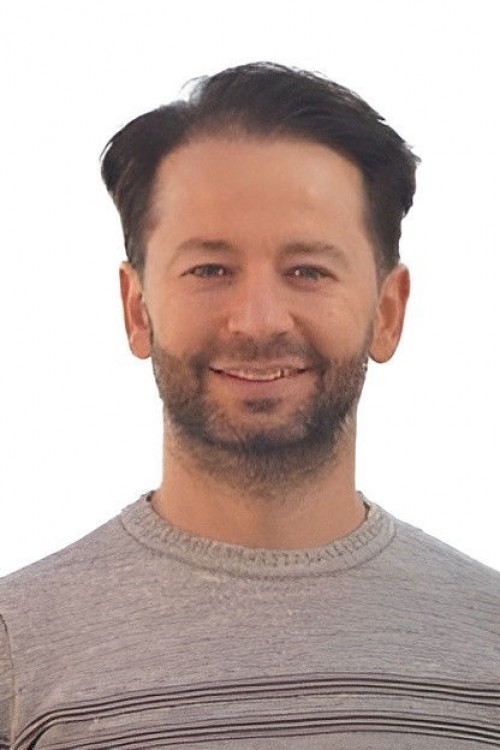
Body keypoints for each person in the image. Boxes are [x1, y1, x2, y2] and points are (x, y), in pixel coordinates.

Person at [1, 62, 499, 749]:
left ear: (387, 313)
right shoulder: (18, 650)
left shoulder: (489, 646)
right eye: (210, 269)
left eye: (308, 270)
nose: (258, 321)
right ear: (136, 309)